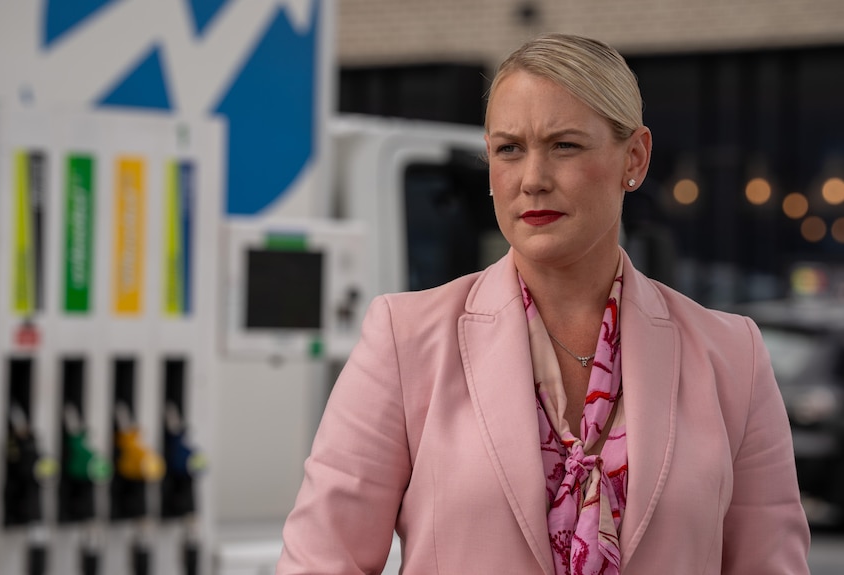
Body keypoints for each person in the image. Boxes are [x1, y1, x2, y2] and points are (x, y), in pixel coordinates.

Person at [276, 33, 811, 574]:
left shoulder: (731, 355)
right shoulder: (406, 339)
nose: (532, 180)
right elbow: (322, 561)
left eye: (565, 145)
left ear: (635, 157)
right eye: (509, 149)